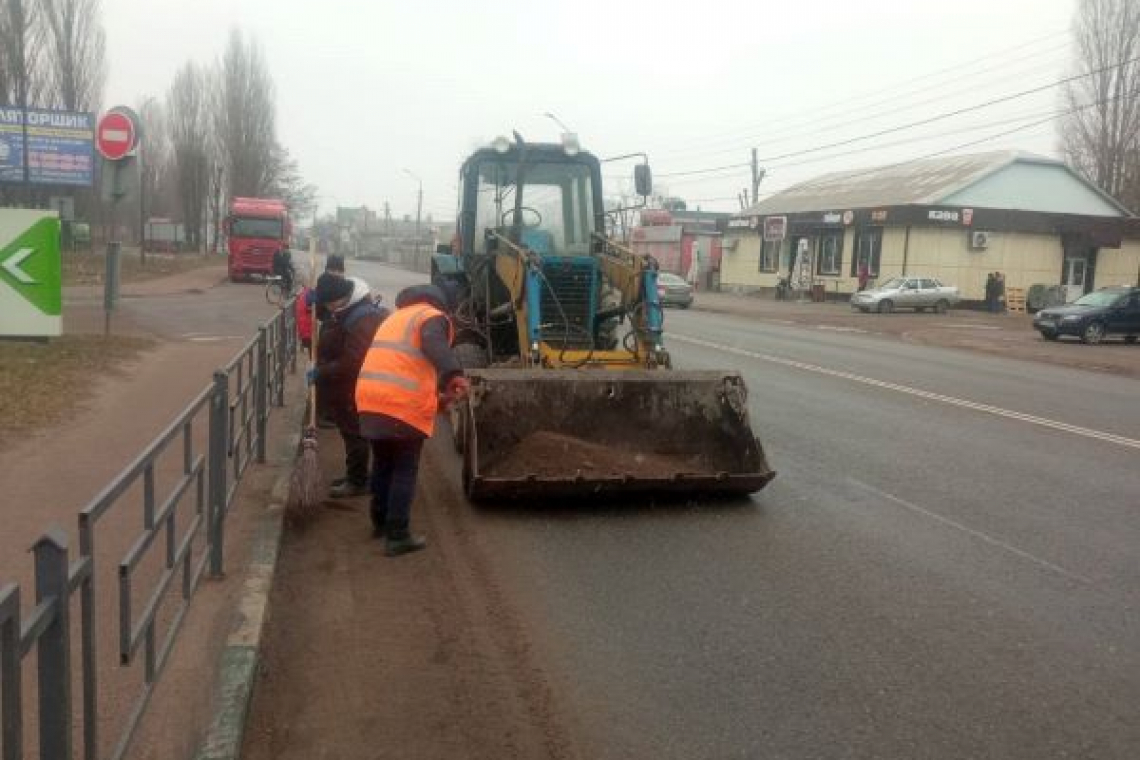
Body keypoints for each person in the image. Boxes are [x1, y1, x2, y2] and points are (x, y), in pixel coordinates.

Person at [355, 284, 468, 557]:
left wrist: (439, 401)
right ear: (438, 303)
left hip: (370, 400)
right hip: (399, 405)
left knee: (383, 463)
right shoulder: (430, 317)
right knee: (404, 468)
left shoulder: (396, 318)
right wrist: (454, 374)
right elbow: (433, 344)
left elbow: (405, 366)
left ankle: (380, 523)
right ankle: (397, 535)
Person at [310, 273, 388, 498]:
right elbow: (329, 316)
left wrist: (321, 372)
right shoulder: (347, 308)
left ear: (341, 299)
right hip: (342, 386)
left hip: (355, 386)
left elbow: (353, 363)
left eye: (328, 303)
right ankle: (355, 474)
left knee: (355, 433)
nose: (327, 308)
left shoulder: (363, 319)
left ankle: (358, 481)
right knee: (349, 431)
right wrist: (311, 299)